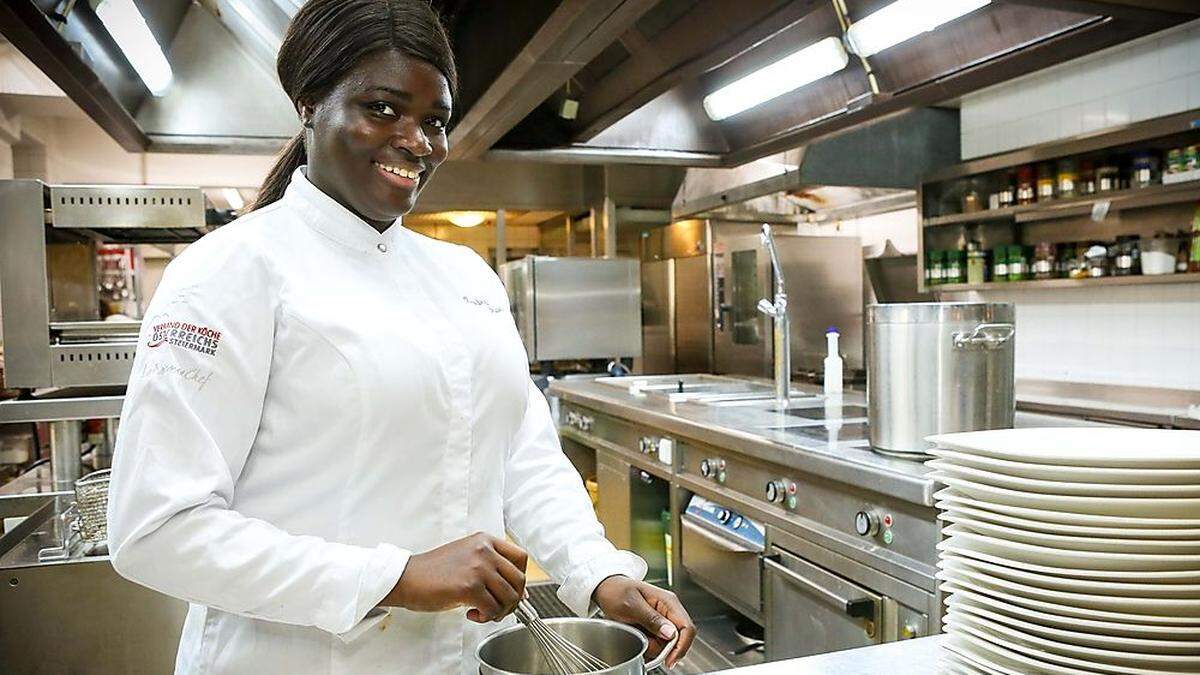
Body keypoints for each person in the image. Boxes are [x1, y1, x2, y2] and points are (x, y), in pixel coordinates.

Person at [105, 1, 695, 673]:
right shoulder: (230, 273)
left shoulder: (463, 278)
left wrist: (596, 571)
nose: (417, 142)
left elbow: (521, 456)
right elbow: (156, 529)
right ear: (308, 104)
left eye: (435, 121)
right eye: (383, 109)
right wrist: (397, 577)